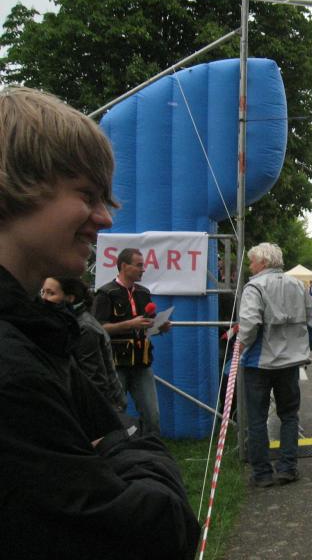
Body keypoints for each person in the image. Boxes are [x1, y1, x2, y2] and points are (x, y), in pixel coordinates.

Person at [0, 86, 198, 558]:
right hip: (119, 364)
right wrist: (125, 447)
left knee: (147, 421)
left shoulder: (39, 332)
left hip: (140, 360)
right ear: (15, 185)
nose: (105, 219)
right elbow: (151, 533)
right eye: (87, 195)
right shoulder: (16, 367)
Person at [238, 242, 312, 487]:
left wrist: (240, 345)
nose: (250, 266)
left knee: (257, 418)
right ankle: (287, 468)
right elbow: (311, 320)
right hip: (290, 362)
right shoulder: (298, 285)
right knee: (289, 415)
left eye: (252, 262)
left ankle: (262, 473)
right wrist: (306, 347)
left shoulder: (254, 287)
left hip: (259, 363)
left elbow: (250, 324)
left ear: (263, 262)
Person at [93, 247, 170, 435]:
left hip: (142, 362)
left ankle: (151, 450)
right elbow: (97, 328)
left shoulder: (143, 293)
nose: (143, 269)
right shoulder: (106, 293)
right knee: (115, 413)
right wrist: (129, 324)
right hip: (115, 364)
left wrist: (159, 327)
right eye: (139, 265)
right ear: (124, 266)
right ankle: (117, 449)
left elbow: (145, 327)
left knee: (152, 416)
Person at [41, 276, 126, 412]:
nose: (44, 298)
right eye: (43, 292)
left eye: (51, 293)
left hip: (102, 406)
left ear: (70, 298)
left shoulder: (84, 328)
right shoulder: (67, 322)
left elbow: (95, 378)